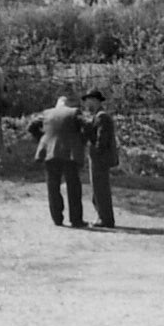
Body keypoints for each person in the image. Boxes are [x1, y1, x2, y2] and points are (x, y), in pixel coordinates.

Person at [32, 93, 89, 228]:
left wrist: (43, 138)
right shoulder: (74, 112)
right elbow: (87, 125)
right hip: (70, 152)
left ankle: (57, 218)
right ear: (68, 104)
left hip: (49, 152)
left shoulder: (47, 113)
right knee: (73, 186)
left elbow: (31, 126)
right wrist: (82, 140)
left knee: (52, 186)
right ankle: (76, 219)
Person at [82, 88, 118, 228]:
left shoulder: (102, 117)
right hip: (98, 158)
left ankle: (105, 218)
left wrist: (96, 153)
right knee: (97, 188)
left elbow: (101, 139)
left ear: (95, 100)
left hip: (100, 159)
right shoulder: (98, 116)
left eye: (88, 100)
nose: (86, 104)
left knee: (100, 189)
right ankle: (101, 215)